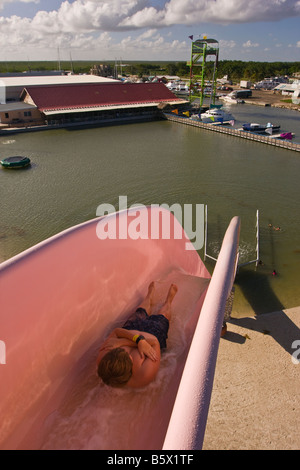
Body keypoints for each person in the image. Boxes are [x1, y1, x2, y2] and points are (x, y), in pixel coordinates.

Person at [97, 282, 178, 389]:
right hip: (152, 335)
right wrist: (138, 341)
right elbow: (155, 342)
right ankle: (169, 300)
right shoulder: (144, 375)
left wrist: (137, 341)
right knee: (163, 317)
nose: (129, 353)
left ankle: (149, 296)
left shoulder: (104, 358)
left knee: (140, 311)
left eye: (121, 349)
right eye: (129, 356)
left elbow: (117, 331)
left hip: (130, 331)